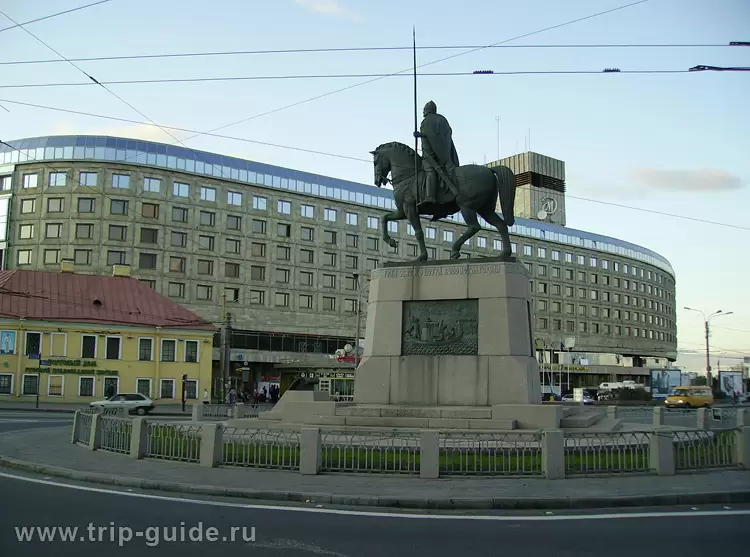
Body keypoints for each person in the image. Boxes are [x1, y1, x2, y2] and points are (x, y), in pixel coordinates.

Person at [413, 100, 460, 207]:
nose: (423, 112)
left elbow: (428, 138)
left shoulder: (426, 122)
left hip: (431, 154)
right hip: (445, 153)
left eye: (424, 110)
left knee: (429, 171)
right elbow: (446, 134)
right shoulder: (443, 120)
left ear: (428, 110)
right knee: (449, 168)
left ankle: (431, 197)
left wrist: (421, 135)